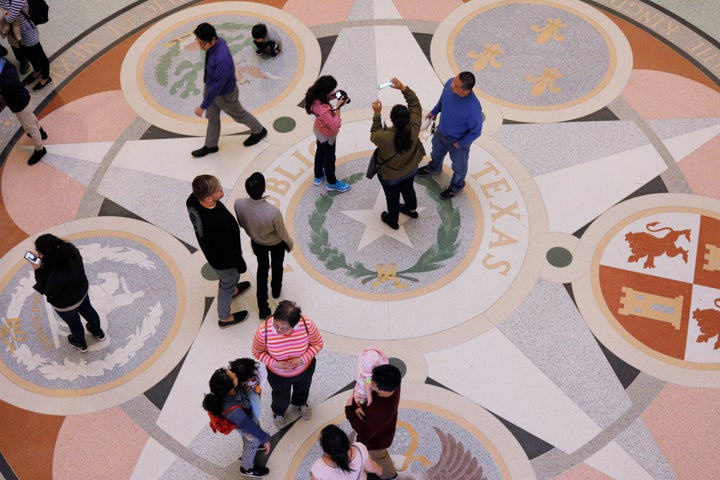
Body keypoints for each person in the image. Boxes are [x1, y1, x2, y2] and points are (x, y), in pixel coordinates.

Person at [191, 22, 267, 157]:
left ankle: (259, 130)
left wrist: (203, 106)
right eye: (199, 42)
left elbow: (217, 86)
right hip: (212, 89)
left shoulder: (222, 59)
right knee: (213, 117)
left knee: (240, 115)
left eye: (202, 43)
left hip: (225, 94)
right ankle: (211, 145)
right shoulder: (216, 42)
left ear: (213, 40)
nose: (201, 46)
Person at [186, 174, 251, 328]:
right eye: (218, 188)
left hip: (211, 251)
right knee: (227, 283)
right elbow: (230, 251)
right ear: (208, 198)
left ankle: (233, 289)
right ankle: (224, 316)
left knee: (229, 280)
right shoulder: (220, 224)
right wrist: (241, 265)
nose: (221, 187)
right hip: (223, 261)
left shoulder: (192, 200)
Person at [251, 300, 323, 429]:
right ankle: (278, 412)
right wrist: (275, 363)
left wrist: (302, 359)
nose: (278, 330)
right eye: (276, 325)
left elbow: (318, 343)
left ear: (295, 325)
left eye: (284, 328)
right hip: (278, 374)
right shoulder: (264, 331)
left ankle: (300, 403)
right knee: (280, 395)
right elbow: (257, 352)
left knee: (303, 388)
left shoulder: (307, 325)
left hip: (304, 369)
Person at [30, 234, 105, 352]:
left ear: (47, 254)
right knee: (89, 311)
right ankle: (99, 333)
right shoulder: (71, 250)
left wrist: (37, 268)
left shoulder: (53, 271)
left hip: (65, 304)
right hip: (82, 292)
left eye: (40, 252)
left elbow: (48, 291)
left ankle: (81, 344)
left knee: (74, 323)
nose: (38, 254)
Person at [234, 172, 294, 320]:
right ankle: (276, 290)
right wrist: (290, 244)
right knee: (277, 266)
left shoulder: (238, 204)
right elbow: (281, 232)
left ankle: (263, 307)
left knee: (262, 270)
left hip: (257, 243)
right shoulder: (272, 211)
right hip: (276, 244)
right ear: (264, 189)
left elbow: (241, 223)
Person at [417, 71, 483, 200]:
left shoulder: (473, 109)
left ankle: (456, 186)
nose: (452, 85)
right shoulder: (449, 84)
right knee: (436, 153)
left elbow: (476, 131)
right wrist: (435, 111)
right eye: (454, 81)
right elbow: (443, 100)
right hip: (441, 132)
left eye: (456, 85)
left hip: (458, 143)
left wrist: (461, 143)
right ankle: (434, 168)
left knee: (459, 167)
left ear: (466, 92)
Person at [370, 77, 424, 230]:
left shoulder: (384, 137)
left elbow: (374, 133)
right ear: (408, 118)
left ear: (392, 119)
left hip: (390, 176)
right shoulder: (414, 125)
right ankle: (412, 210)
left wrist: (376, 114)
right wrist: (403, 88)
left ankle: (392, 219)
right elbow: (415, 104)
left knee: (392, 197)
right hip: (411, 169)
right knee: (408, 189)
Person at [202, 367, 271, 478]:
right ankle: (246, 468)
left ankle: (257, 444)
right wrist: (264, 438)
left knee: (254, 434)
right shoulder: (232, 410)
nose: (235, 373)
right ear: (229, 387)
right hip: (245, 426)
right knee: (252, 442)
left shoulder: (229, 391)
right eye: (233, 376)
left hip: (247, 419)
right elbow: (248, 426)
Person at [345, 364, 402, 480]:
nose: (369, 383)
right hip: (385, 433)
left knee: (378, 458)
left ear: (384, 391)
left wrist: (349, 410)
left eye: (373, 383)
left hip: (374, 443)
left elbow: (364, 431)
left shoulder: (380, 411)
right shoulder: (394, 384)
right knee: (381, 456)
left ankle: (390, 476)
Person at [0, 45, 47, 165]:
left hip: (19, 101)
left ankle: (40, 149)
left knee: (29, 125)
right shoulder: (4, 64)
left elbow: (11, 85)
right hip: (18, 100)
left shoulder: (7, 69)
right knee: (29, 117)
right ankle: (40, 130)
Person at [304, 75, 350, 192]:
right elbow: (335, 125)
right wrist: (338, 107)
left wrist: (334, 95)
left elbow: (322, 99)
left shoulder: (312, 94)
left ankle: (318, 175)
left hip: (318, 130)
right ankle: (331, 182)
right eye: (331, 90)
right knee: (329, 159)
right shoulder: (323, 109)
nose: (333, 92)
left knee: (320, 152)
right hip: (328, 135)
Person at [0, 0, 52, 93]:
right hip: (18, 32)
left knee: (39, 54)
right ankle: (37, 70)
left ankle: (46, 77)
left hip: (28, 30)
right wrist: (6, 12)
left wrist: (5, 13)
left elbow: (9, 18)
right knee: (28, 53)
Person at [310, 424, 383, 480]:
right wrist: (379, 470)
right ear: (345, 439)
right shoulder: (359, 448)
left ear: (327, 451)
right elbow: (371, 468)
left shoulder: (318, 467)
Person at [229, 357, 266, 426]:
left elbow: (263, 378)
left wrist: (258, 388)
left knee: (255, 408)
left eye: (248, 379)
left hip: (253, 391)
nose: (248, 380)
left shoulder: (259, 369)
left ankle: (254, 423)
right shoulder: (233, 377)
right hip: (241, 395)